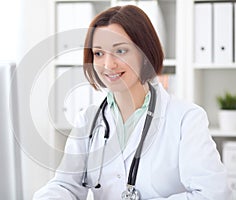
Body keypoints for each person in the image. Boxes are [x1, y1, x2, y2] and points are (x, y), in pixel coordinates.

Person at [34, 5, 232, 200]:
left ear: (144, 54)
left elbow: (214, 194)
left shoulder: (186, 118)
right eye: (98, 53)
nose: (108, 65)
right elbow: (66, 185)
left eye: (120, 51)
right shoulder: (88, 120)